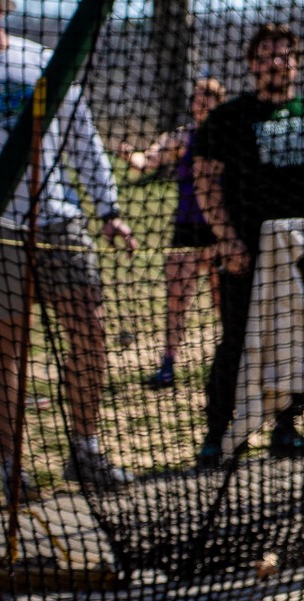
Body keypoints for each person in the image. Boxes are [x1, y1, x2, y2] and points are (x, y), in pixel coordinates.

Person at [0, 0, 136, 501]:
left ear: (7, 7)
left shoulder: (41, 63)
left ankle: (85, 448)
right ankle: (12, 468)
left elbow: (83, 138)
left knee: (91, 329)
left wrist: (107, 208)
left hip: (56, 218)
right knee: (4, 350)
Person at [191, 23, 304, 468]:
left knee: (299, 341)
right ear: (252, 64)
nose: (276, 62)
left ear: (297, 64)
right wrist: (227, 240)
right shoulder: (228, 117)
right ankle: (219, 433)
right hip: (246, 253)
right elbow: (205, 180)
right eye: (267, 55)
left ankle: (288, 428)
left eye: (285, 55)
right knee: (237, 342)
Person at [118, 77, 227, 391]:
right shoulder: (181, 137)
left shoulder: (229, 137)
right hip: (186, 230)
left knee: (225, 302)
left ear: (219, 102)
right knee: (177, 299)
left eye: (208, 98)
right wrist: (129, 156)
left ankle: (234, 359)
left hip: (220, 230)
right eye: (197, 97)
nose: (201, 103)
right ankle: (168, 364)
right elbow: (147, 162)